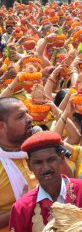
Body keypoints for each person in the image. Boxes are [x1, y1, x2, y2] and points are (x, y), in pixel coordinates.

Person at [9, 131, 82, 232]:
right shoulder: (21, 208)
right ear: (29, 164)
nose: (46, 168)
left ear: (61, 158)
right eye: (38, 162)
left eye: (51, 160)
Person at [0, 97, 37, 232]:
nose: (30, 118)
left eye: (27, 113)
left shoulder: (37, 151)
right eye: (21, 116)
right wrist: (21, 207)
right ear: (1, 126)